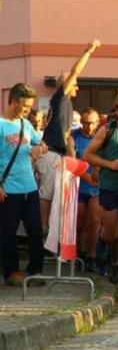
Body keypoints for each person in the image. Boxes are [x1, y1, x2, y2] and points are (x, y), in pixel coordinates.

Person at [36, 40, 100, 235]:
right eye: (75, 85)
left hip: (58, 153)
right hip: (51, 153)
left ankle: (50, 231)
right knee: (47, 194)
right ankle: (43, 229)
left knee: (56, 196)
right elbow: (75, 73)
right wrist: (88, 51)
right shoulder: (61, 99)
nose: (77, 88)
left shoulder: (63, 105)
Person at [83, 94, 118, 287]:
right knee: (113, 235)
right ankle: (114, 259)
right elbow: (87, 155)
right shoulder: (107, 130)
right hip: (109, 185)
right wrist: (109, 164)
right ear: (116, 111)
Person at [0, 84, 49, 287]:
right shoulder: (1, 125)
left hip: (29, 187)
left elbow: (42, 144)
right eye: (25, 106)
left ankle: (35, 270)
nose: (27, 110)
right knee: (7, 232)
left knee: (36, 230)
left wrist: (40, 148)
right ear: (13, 101)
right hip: (8, 189)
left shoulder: (26, 125)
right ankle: (11, 272)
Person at [68, 108, 101, 272]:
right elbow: (72, 162)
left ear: (97, 122)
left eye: (92, 123)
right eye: (86, 122)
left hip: (96, 185)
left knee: (95, 220)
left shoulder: (101, 136)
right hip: (80, 183)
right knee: (80, 221)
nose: (89, 126)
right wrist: (87, 177)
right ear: (81, 122)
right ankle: (78, 252)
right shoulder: (74, 136)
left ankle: (91, 255)